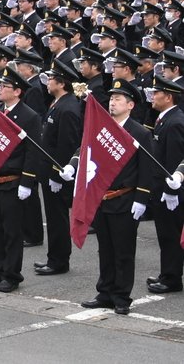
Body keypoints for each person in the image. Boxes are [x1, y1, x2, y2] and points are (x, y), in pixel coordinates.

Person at [61, 80, 154, 315]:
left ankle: (121, 296)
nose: (112, 103)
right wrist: (73, 164)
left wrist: (142, 198)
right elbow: (85, 148)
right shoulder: (103, 127)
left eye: (118, 99)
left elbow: (147, 169)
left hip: (124, 198)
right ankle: (104, 292)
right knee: (105, 248)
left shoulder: (139, 133)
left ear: (130, 105)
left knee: (123, 251)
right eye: (111, 98)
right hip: (100, 197)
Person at [0, 67, 42, 293]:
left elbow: (33, 152)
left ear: (17, 91)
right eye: (0, 85)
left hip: (13, 180)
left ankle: (12, 275)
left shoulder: (29, 116)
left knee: (12, 232)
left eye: (5, 86)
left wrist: (27, 182)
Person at [34, 59, 83, 277]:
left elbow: (68, 146)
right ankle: (53, 257)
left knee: (58, 218)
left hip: (57, 173)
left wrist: (57, 173)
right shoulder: (58, 103)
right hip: (48, 169)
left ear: (62, 83)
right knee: (53, 217)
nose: (47, 82)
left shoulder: (69, 107)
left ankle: (59, 261)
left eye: (51, 79)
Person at [145, 76, 184, 294]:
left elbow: (175, 160)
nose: (152, 96)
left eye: (156, 93)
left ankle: (172, 278)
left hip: (171, 190)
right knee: (165, 232)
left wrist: (170, 191)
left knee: (170, 234)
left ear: (168, 97)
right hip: (161, 186)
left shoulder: (175, 122)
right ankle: (167, 272)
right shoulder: (165, 118)